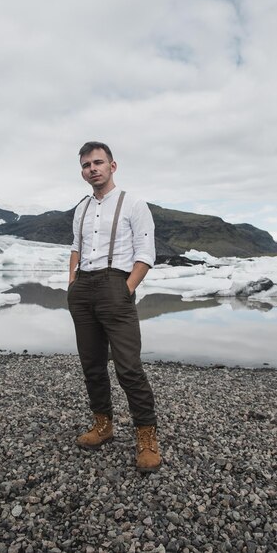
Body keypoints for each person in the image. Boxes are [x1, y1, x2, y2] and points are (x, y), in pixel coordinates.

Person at [67, 141, 161, 472]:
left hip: (115, 285)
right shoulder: (81, 207)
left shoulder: (133, 203)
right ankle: (103, 426)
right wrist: (72, 281)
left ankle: (146, 436)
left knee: (128, 367)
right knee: (92, 365)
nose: (91, 168)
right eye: (86, 165)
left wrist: (127, 288)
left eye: (97, 162)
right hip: (84, 288)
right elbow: (76, 246)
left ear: (112, 166)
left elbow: (146, 252)